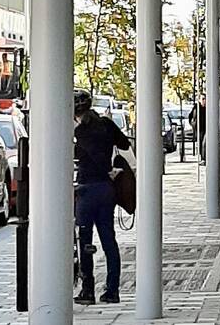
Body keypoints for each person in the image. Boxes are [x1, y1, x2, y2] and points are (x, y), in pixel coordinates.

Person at [73, 89, 131, 305]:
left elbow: (92, 155)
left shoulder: (81, 132)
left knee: (85, 241)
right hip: (107, 190)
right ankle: (112, 290)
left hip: (88, 189)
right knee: (109, 240)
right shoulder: (106, 123)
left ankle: (87, 289)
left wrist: (104, 167)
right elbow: (125, 144)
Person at [189, 96, 207, 165]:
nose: (204, 100)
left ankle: (204, 158)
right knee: (200, 143)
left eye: (205, 99)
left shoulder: (208, 108)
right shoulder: (196, 108)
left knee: (204, 143)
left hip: (206, 128)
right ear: (199, 100)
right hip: (199, 129)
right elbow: (191, 117)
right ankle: (202, 158)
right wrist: (193, 124)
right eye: (203, 99)